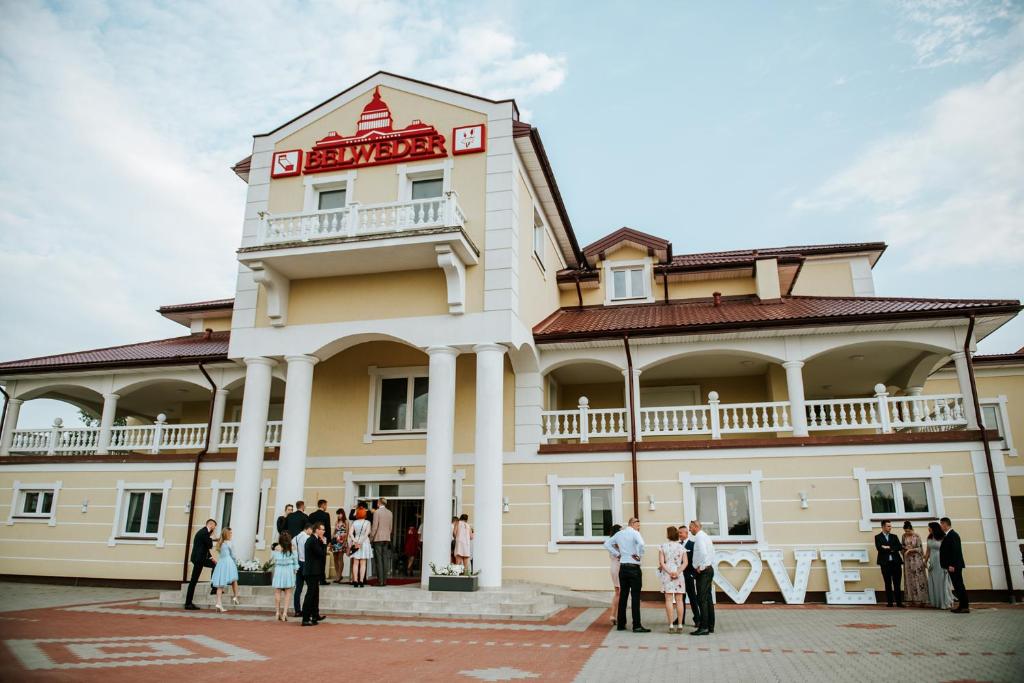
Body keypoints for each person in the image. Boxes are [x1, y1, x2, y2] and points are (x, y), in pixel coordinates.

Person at [608, 517, 649, 633]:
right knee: (635, 597)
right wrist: (639, 554)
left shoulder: (619, 534)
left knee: (623, 596)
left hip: (623, 568)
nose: (639, 527)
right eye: (638, 525)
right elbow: (641, 544)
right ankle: (636, 625)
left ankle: (621, 624)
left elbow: (607, 544)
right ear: (632, 523)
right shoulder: (635, 533)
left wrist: (617, 554)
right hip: (634, 568)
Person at [658, 526, 688, 633]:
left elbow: (662, 563)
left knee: (669, 600)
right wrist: (678, 572)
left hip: (667, 574)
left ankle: (671, 624)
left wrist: (670, 572)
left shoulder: (663, 546)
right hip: (679, 574)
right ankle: (680, 625)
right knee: (679, 600)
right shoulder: (681, 547)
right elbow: (685, 562)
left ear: (668, 535)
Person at [689, 520, 715, 636]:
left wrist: (701, 567)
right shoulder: (705, 536)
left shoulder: (699, 537)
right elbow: (712, 553)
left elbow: (704, 553)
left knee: (702, 599)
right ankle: (710, 625)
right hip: (709, 569)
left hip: (704, 571)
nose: (689, 530)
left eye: (690, 527)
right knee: (708, 598)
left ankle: (703, 627)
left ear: (696, 526)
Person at [184, 518, 217, 610]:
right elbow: (210, 545)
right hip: (199, 559)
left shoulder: (203, 532)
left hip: (200, 558)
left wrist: (211, 558)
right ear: (210, 525)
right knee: (193, 581)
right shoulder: (204, 533)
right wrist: (212, 535)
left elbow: (205, 548)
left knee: (215, 565)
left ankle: (214, 587)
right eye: (214, 526)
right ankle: (188, 603)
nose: (214, 528)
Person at [939, 517, 969, 613]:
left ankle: (964, 606)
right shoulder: (949, 535)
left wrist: (952, 564)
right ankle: (962, 605)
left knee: (959, 585)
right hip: (952, 565)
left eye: (941, 524)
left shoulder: (953, 535)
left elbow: (955, 551)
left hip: (954, 565)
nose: (940, 526)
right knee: (957, 585)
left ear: (945, 524)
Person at [302, 522, 327, 626]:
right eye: (322, 529)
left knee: (315, 594)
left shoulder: (315, 540)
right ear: (317, 530)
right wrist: (324, 544)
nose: (323, 531)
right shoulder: (312, 540)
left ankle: (315, 615)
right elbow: (321, 554)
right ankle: (305, 618)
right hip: (311, 571)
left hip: (314, 571)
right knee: (310, 594)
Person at [875, 520, 904, 607]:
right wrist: (891, 548)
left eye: (890, 526)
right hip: (885, 563)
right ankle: (890, 602)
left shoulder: (894, 536)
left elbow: (899, 546)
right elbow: (879, 548)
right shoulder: (877, 537)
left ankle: (899, 602)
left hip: (896, 562)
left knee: (897, 583)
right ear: (883, 527)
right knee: (887, 583)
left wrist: (888, 547)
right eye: (888, 526)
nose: (890, 528)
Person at [924, 521, 953, 609]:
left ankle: (944, 602)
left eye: (929, 527)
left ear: (934, 528)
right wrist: (925, 561)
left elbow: (948, 551)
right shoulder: (929, 537)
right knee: (934, 581)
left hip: (941, 561)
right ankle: (936, 602)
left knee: (941, 581)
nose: (928, 529)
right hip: (933, 562)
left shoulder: (943, 537)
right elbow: (928, 550)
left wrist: (948, 563)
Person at [210, 527, 239, 613]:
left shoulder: (220, 543)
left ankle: (218, 603)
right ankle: (235, 597)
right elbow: (233, 555)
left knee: (220, 584)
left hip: (221, 563)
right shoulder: (229, 543)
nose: (231, 534)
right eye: (230, 533)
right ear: (227, 534)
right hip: (229, 562)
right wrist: (235, 562)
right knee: (234, 579)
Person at [272, 531, 298, 621]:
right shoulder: (292, 548)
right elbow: (296, 562)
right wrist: (296, 570)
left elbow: (274, 560)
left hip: (279, 570)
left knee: (277, 592)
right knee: (288, 593)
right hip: (288, 570)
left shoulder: (277, 548)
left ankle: (277, 612)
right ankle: (285, 613)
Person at [901, 521, 928, 606]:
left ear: (912, 529)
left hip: (916, 560)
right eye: (906, 531)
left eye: (909, 531)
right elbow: (902, 546)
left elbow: (920, 548)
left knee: (918, 578)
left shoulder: (917, 536)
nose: (907, 533)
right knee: (909, 579)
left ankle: (922, 600)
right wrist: (905, 548)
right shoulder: (903, 536)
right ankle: (910, 600)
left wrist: (911, 550)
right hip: (908, 560)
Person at [680, 524, 700, 629]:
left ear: (686, 533)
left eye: (681, 533)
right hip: (680, 576)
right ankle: (680, 618)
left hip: (689, 575)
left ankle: (697, 618)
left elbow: (695, 559)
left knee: (692, 597)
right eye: (678, 533)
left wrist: (693, 574)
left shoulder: (692, 544)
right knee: (680, 598)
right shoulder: (678, 545)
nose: (679, 535)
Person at [371, 497, 394, 586]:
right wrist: (388, 535)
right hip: (387, 538)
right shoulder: (390, 512)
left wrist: (371, 538)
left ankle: (380, 581)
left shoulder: (377, 512)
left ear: (379, 503)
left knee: (378, 560)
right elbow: (390, 527)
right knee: (385, 559)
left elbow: (375, 526)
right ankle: (385, 581)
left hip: (378, 538)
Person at [308, 499, 332, 585]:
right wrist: (329, 541)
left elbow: (309, 528)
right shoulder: (326, 515)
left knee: (313, 558)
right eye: (326, 505)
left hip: (313, 539)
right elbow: (328, 528)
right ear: (323, 505)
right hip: (322, 540)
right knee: (322, 560)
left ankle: (313, 578)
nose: (326, 507)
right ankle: (322, 579)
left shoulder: (311, 515)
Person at [602, 524, 622, 626]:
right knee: (620, 592)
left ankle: (613, 615)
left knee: (617, 592)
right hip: (618, 567)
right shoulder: (617, 542)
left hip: (613, 566)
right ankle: (616, 615)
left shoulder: (611, 541)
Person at [292, 521, 312, 617]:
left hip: (297, 563)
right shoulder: (307, 538)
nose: (311, 532)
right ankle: (307, 609)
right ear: (308, 529)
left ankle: (297, 610)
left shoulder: (295, 538)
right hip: (305, 562)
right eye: (311, 530)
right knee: (310, 587)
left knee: (298, 588)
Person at [349, 506, 372, 587]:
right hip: (364, 542)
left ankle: (355, 580)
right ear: (365, 514)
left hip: (356, 541)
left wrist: (355, 541)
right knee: (363, 563)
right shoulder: (367, 522)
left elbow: (350, 533)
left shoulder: (354, 522)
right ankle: (361, 581)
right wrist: (361, 542)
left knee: (355, 563)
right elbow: (367, 533)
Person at [331, 508, 348, 584]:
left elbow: (347, 532)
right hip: (335, 541)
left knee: (340, 558)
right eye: (338, 514)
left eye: (340, 514)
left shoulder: (346, 522)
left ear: (343, 514)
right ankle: (337, 574)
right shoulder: (336, 522)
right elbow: (334, 531)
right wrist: (331, 541)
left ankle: (339, 575)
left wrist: (345, 542)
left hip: (342, 541)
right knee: (335, 557)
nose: (339, 515)